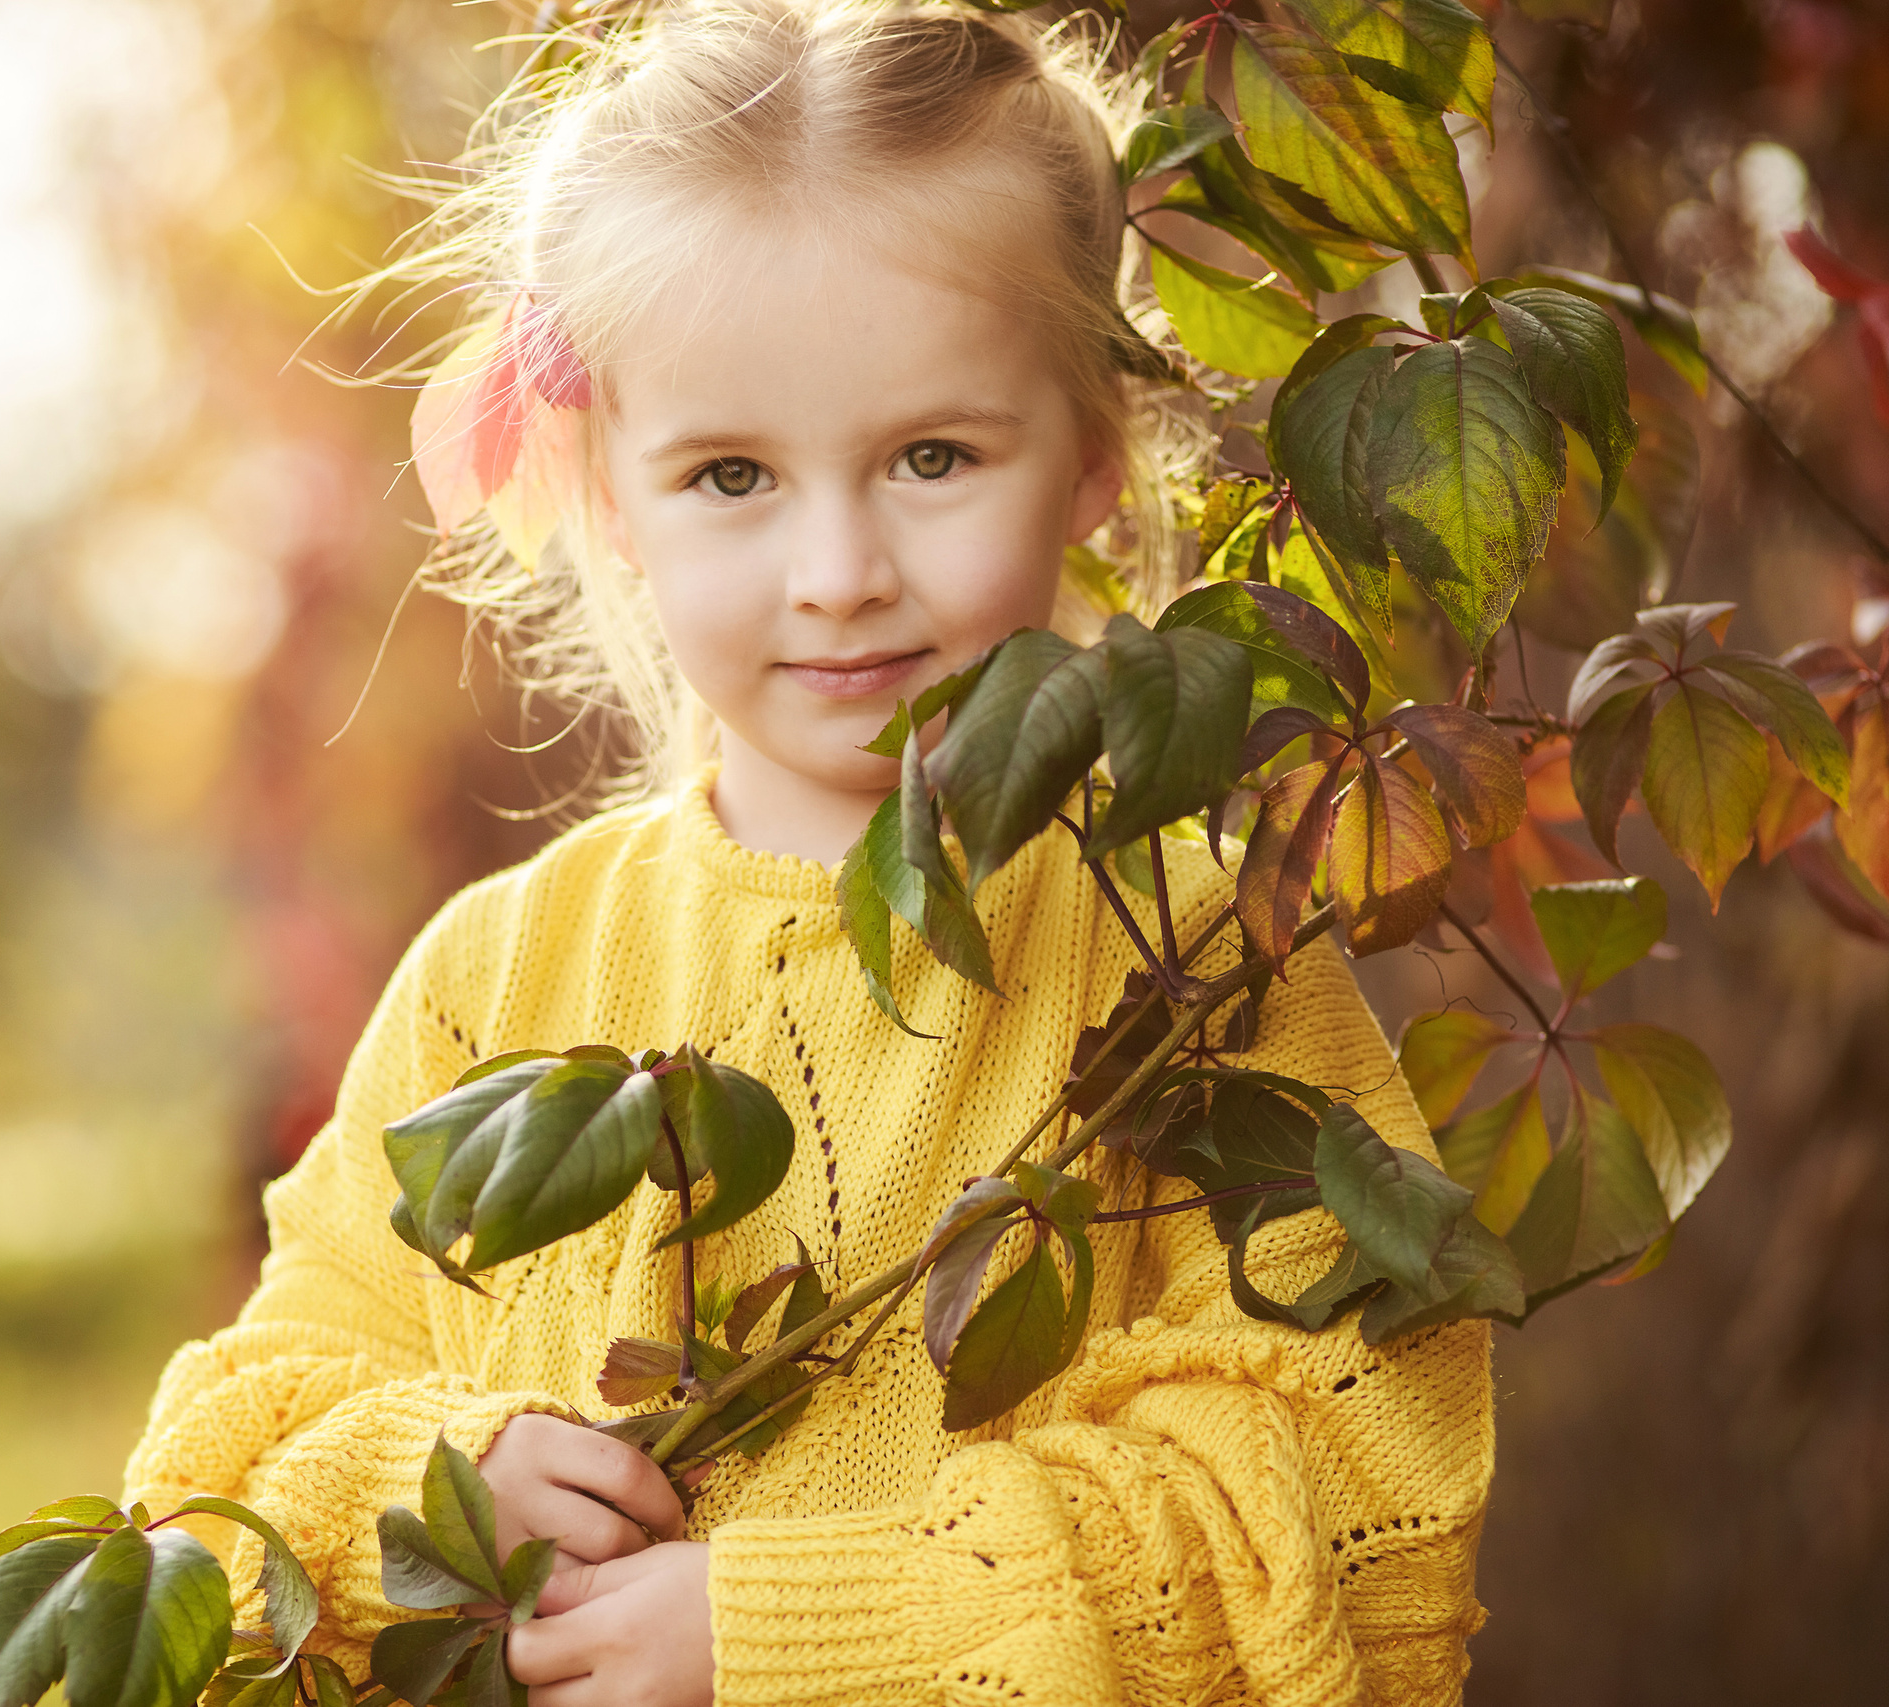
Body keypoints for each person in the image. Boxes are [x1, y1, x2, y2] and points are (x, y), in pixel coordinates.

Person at [122, 4, 1493, 1703]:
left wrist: (799, 1633)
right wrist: (434, 1481)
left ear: (1088, 456)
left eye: (932, 457)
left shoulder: (1196, 959)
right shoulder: (497, 979)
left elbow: (1360, 1498)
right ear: (610, 493)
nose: (837, 567)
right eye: (730, 474)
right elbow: (233, 1453)